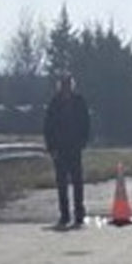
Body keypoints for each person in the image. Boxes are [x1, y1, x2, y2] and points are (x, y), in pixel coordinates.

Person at [42, 72, 91, 229]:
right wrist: (51, 147)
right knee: (61, 183)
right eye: (63, 84)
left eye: (68, 84)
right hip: (60, 148)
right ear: (59, 86)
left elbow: (86, 123)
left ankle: (79, 214)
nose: (66, 87)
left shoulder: (79, 102)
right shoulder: (54, 103)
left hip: (74, 147)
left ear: (72, 85)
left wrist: (83, 141)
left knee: (77, 182)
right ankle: (64, 215)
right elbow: (48, 127)